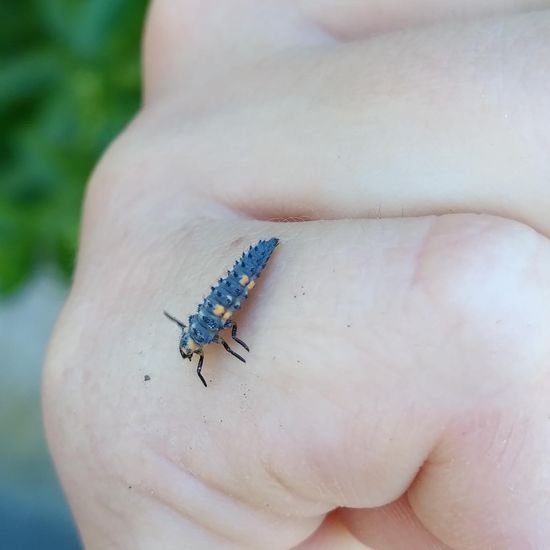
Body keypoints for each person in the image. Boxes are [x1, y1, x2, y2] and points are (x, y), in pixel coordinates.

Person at [43, 1, 550, 548]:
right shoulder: (207, 326)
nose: (196, 349)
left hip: (244, 274)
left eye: (195, 346)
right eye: (196, 349)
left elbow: (221, 319)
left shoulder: (211, 328)